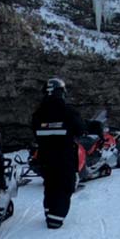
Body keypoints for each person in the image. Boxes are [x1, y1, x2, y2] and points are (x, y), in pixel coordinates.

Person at [31, 77, 85, 229]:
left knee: (50, 184)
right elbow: (80, 129)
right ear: (61, 93)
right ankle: (55, 218)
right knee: (64, 185)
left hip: (45, 157)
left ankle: (49, 212)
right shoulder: (68, 112)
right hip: (64, 156)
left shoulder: (38, 113)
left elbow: (35, 131)